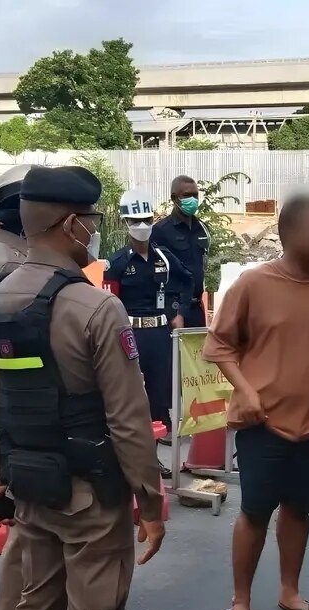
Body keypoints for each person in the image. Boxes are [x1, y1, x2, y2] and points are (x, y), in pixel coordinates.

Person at [0, 166, 166, 610]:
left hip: (32, 482)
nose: (96, 232)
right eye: (94, 222)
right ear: (73, 224)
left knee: (36, 605)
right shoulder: (94, 308)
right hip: (91, 491)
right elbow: (128, 417)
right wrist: (150, 501)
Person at [203, 195, 309, 610]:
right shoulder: (253, 283)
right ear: (288, 234)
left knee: (298, 508)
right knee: (254, 510)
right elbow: (219, 347)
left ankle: (290, 591)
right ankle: (241, 599)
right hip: (262, 421)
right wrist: (245, 392)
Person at [0, 164, 70, 610]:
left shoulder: (18, 259)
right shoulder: (4, 267)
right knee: (24, 541)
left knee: (44, 534)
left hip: (37, 419)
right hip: (23, 423)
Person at [104, 189, 191, 460]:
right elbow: (109, 301)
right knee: (128, 397)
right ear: (125, 223)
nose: (141, 226)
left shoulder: (163, 257)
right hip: (129, 334)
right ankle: (129, 459)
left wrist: (178, 310)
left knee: (157, 395)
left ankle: (151, 460)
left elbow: (186, 281)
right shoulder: (117, 263)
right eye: (134, 221)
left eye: (146, 219)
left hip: (159, 333)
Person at [151, 175, 210, 328]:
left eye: (195, 195)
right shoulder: (160, 231)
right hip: (174, 310)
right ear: (174, 198)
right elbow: (156, 275)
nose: (192, 200)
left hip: (196, 307)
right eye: (186, 195)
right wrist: (174, 313)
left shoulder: (202, 229)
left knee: (197, 352)